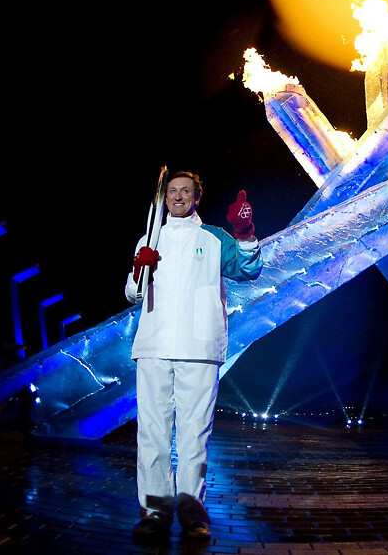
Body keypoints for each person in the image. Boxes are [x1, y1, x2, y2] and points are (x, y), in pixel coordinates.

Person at [124, 171, 262, 541]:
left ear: (197, 197)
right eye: (173, 192)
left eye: (186, 191)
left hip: (199, 349)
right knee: (151, 434)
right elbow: (132, 294)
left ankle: (192, 514)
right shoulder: (150, 237)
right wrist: (141, 267)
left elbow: (249, 269)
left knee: (193, 436)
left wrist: (245, 234)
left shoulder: (215, 237)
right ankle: (154, 512)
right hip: (153, 347)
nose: (178, 197)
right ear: (164, 197)